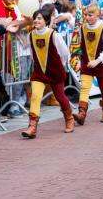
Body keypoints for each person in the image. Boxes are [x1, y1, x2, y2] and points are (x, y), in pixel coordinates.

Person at [21, 9, 74, 139]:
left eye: (39, 18)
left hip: (55, 72)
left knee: (60, 97)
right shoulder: (31, 35)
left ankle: (69, 118)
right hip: (39, 73)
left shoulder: (54, 35)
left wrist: (59, 66)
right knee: (35, 97)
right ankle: (32, 127)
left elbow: (65, 53)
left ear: (46, 21)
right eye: (35, 18)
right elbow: (33, 53)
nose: (36, 21)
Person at [73, 4, 103, 125]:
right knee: (85, 88)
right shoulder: (82, 28)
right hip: (86, 64)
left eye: (90, 15)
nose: (87, 17)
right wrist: (76, 55)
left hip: (101, 64)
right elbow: (81, 45)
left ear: (97, 15)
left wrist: (97, 60)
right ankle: (81, 113)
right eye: (86, 14)